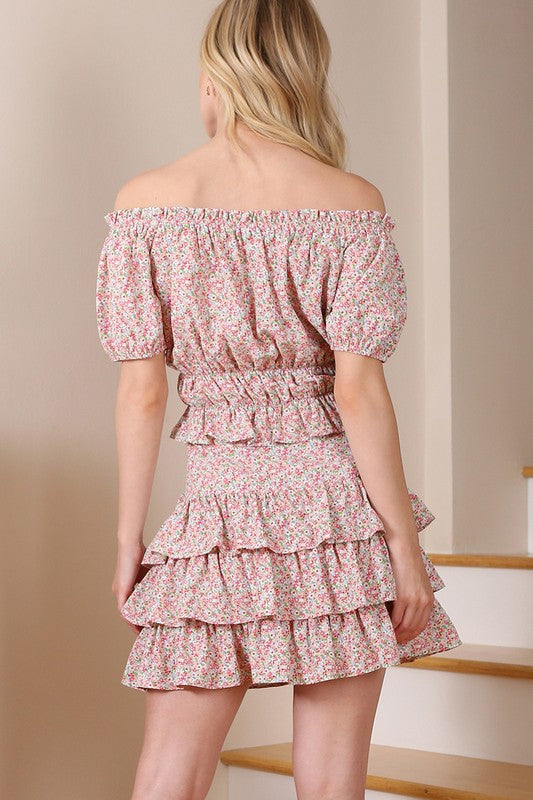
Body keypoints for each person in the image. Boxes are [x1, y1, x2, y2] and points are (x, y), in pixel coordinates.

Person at [95, 1, 462, 798]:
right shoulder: (351, 201)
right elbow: (359, 391)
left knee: (167, 777)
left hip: (220, 516)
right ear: (305, 75)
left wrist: (130, 539)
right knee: (333, 787)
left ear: (215, 76)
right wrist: (401, 547)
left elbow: (141, 389)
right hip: (339, 513)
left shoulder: (147, 203)